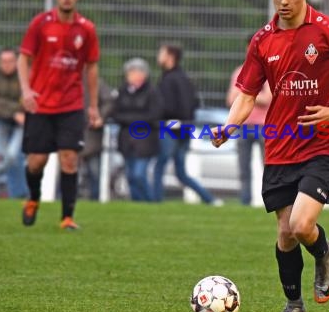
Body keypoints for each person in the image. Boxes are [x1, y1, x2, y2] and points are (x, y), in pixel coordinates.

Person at [211, 0, 329, 312]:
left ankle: (323, 252)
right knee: (285, 234)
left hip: (323, 142)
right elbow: (247, 94)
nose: (283, 1)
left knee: (303, 225)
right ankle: (294, 305)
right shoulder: (262, 39)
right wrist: (229, 127)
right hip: (280, 145)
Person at [17, 0, 101, 230]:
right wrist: (26, 91)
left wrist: (93, 106)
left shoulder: (86, 28)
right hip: (41, 104)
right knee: (36, 161)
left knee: (69, 159)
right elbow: (23, 58)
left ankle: (67, 217)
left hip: (71, 104)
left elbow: (92, 68)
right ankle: (33, 199)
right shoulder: (41, 24)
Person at [154, 42, 222, 206]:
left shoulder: (168, 80)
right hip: (186, 128)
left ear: (170, 56)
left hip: (170, 129)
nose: (158, 57)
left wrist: (161, 117)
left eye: (161, 53)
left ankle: (154, 201)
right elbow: (194, 103)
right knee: (181, 173)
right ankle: (210, 199)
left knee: (160, 166)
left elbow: (167, 106)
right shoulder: (185, 78)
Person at [226, 37, 272, 206]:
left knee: (269, 168)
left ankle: (271, 201)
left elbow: (267, 99)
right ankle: (244, 201)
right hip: (243, 126)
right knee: (243, 168)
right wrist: (248, 96)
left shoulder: (269, 71)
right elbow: (231, 99)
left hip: (264, 126)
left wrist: (246, 95)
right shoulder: (239, 71)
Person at [112, 58, 161, 202]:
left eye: (135, 72)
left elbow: (154, 114)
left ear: (143, 74)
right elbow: (116, 113)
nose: (131, 75)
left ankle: (150, 203)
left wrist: (130, 118)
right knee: (130, 176)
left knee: (139, 174)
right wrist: (135, 118)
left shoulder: (152, 92)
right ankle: (137, 203)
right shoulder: (122, 91)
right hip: (126, 140)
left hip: (145, 140)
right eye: (130, 72)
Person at [0, 48, 29, 198]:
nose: (7, 64)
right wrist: (14, 111)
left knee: (16, 156)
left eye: (10, 61)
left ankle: (20, 193)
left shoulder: (24, 74)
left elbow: (27, 100)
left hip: (21, 123)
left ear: (16, 62)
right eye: (3, 61)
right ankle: (15, 193)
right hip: (2, 121)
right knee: (9, 158)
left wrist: (11, 107)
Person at [79, 77, 115, 200]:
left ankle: (95, 199)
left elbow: (109, 101)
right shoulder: (65, 79)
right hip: (71, 132)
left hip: (91, 134)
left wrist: (100, 117)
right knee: (69, 171)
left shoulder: (96, 82)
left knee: (94, 172)